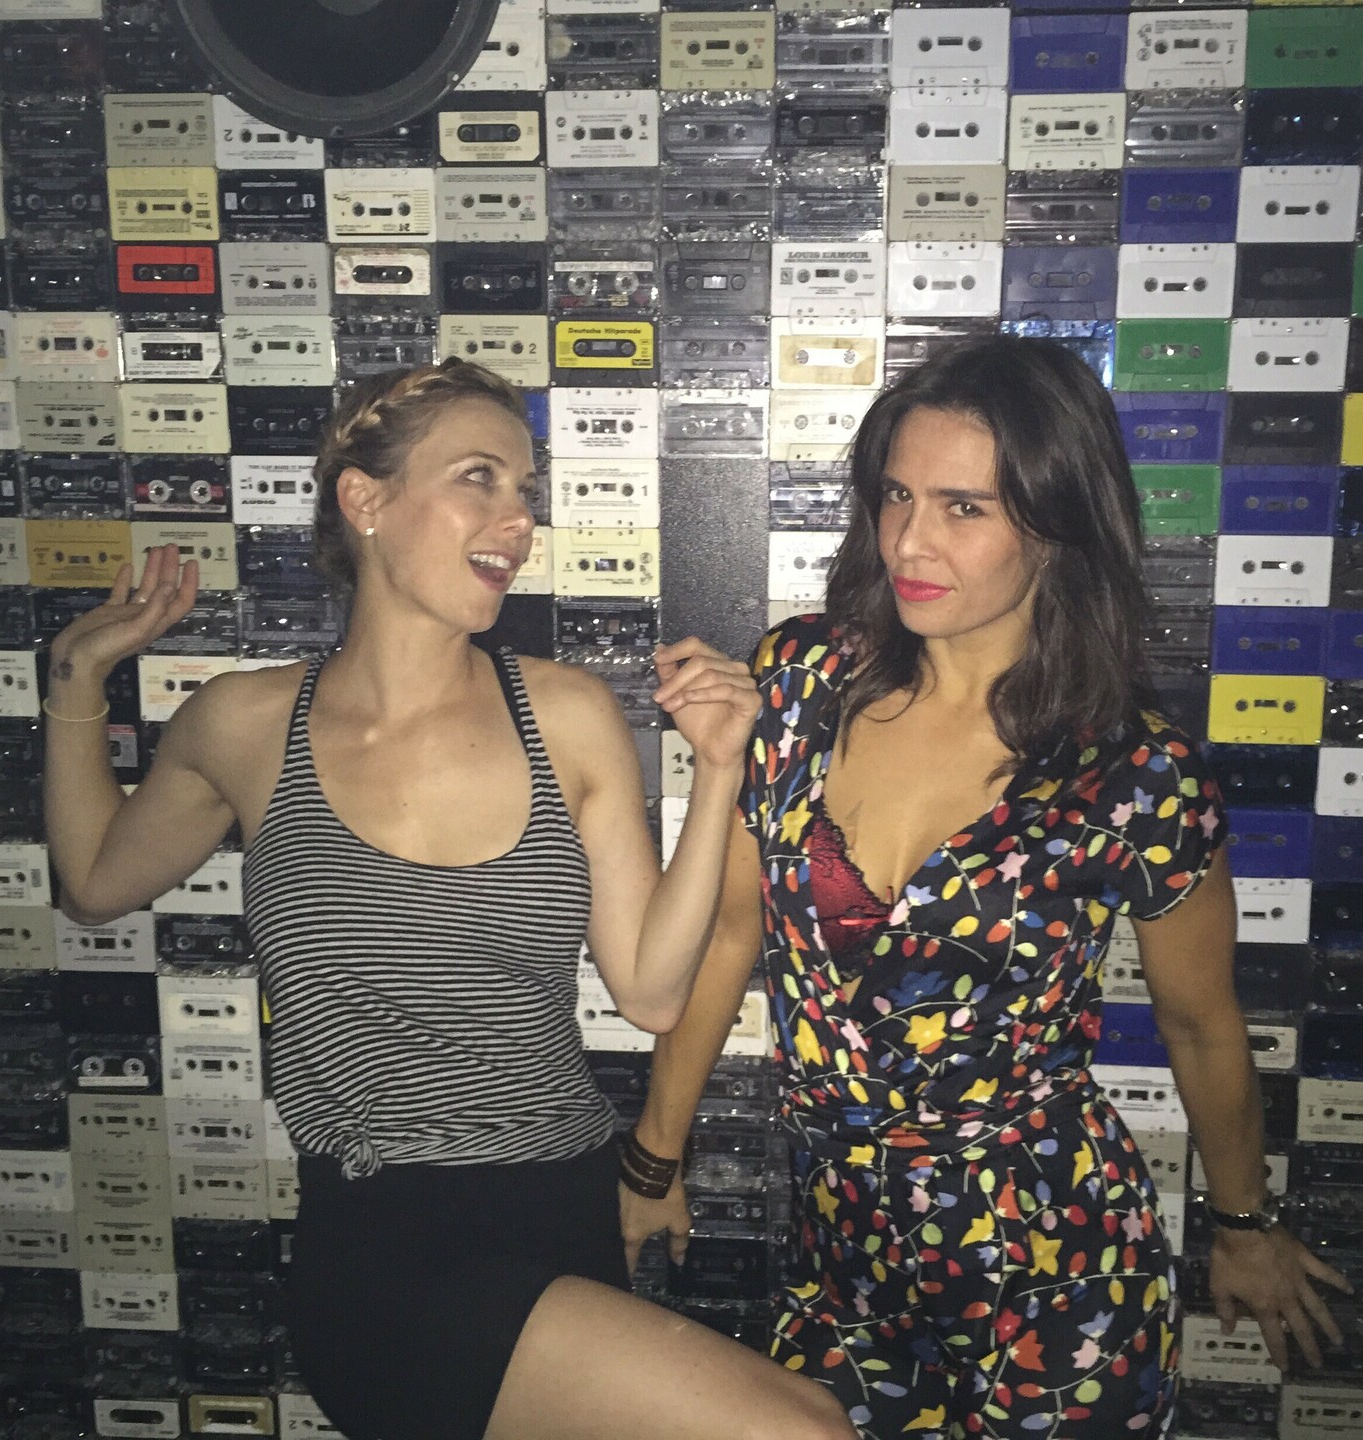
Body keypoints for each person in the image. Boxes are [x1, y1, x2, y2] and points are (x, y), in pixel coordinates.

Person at [42, 360, 855, 1440]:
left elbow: (652, 992)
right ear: (365, 499)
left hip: (564, 1204)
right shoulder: (245, 725)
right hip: (388, 1240)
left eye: (526, 492)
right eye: (480, 478)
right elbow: (97, 883)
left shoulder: (565, 714)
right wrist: (76, 678)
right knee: (799, 1426)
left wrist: (718, 772)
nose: (518, 521)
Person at [620, 336, 1352, 1438]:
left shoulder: (1137, 774)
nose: (909, 541)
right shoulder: (799, 682)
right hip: (843, 1259)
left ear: (1058, 526)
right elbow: (732, 935)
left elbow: (1202, 1023)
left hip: (1057, 1265)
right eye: (897, 496)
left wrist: (1244, 1225)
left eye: (964, 508)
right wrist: (653, 1156)